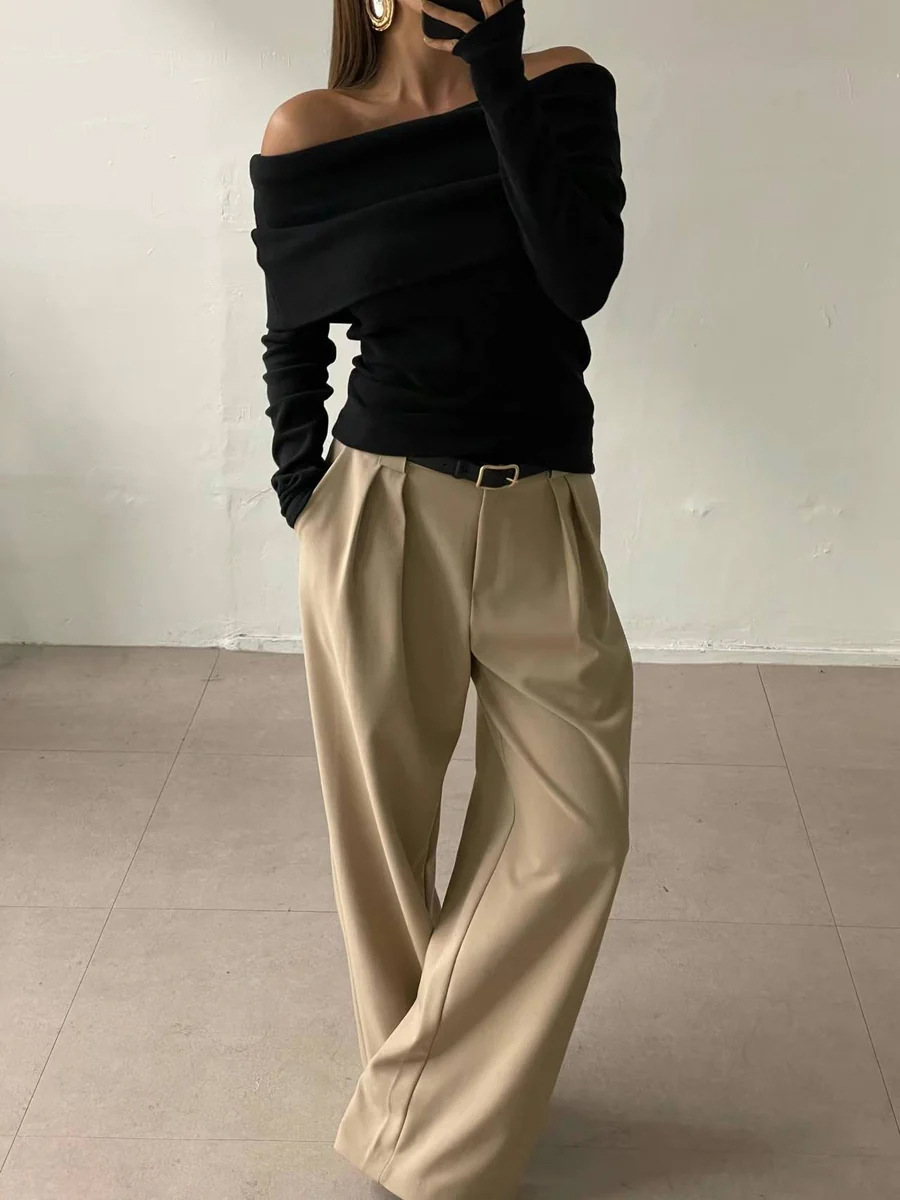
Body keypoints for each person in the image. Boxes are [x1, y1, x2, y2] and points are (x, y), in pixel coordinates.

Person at [248, 1, 633, 1197]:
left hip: (542, 510)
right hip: (381, 511)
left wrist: (498, 75)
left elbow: (579, 278)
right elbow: (293, 333)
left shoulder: (561, 85)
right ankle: (445, 1129)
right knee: (384, 841)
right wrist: (305, 487)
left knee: (575, 833)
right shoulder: (312, 127)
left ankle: (414, 1125)